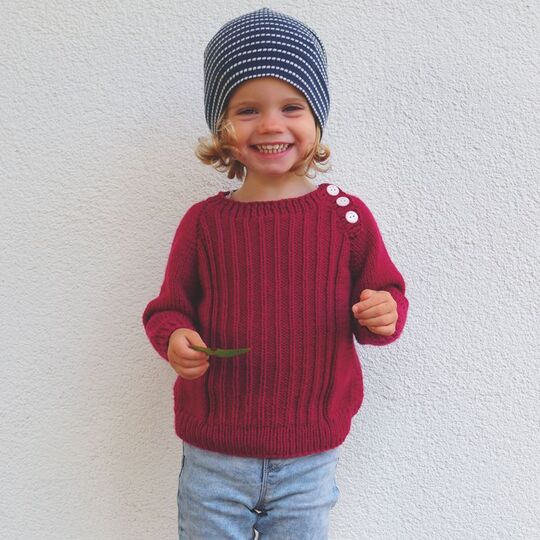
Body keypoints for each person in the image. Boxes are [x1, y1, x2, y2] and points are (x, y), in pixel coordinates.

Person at [142, 7, 409, 539]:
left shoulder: (346, 218)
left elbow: (385, 297)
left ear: (317, 118)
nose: (270, 125)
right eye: (247, 110)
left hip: (310, 459)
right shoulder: (204, 224)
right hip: (214, 459)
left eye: (291, 106)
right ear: (221, 126)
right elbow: (168, 309)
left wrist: (384, 312)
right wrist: (174, 338)